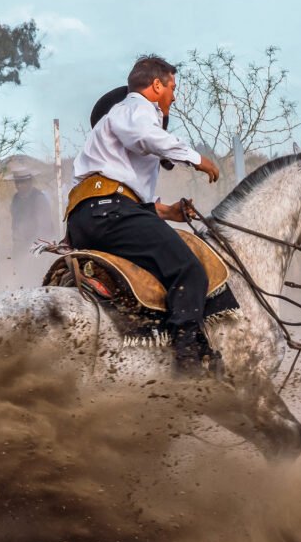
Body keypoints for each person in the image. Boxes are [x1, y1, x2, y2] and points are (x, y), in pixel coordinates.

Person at [65, 55, 222, 377]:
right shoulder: (135, 107)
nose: (174, 97)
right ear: (156, 85)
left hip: (93, 215)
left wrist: (166, 211)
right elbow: (146, 137)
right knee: (188, 268)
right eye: (172, 88)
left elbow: (123, 192)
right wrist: (196, 159)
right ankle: (188, 361)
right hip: (110, 213)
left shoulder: (116, 131)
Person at [8, 167, 56, 261]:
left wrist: (34, 249)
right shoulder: (16, 198)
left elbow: (44, 228)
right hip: (21, 246)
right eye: (17, 182)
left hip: (38, 247)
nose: (19, 185)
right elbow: (15, 223)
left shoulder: (39, 198)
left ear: (30, 182)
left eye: (22, 182)